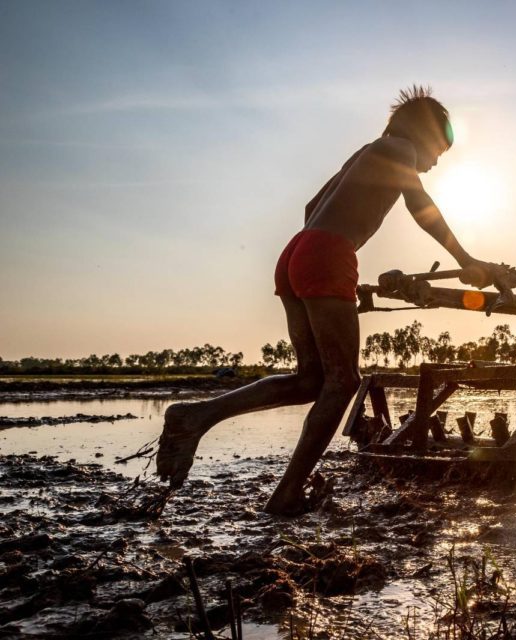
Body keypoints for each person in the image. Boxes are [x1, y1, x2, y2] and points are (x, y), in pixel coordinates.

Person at [156, 86, 495, 515]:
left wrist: (322, 248)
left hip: (297, 251)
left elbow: (312, 205)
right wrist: (466, 260)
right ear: (422, 134)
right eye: (438, 152)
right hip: (327, 253)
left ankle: (197, 416)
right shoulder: (401, 147)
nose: (433, 163)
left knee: (311, 380)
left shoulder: (366, 152)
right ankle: (286, 494)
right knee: (343, 382)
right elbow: (419, 203)